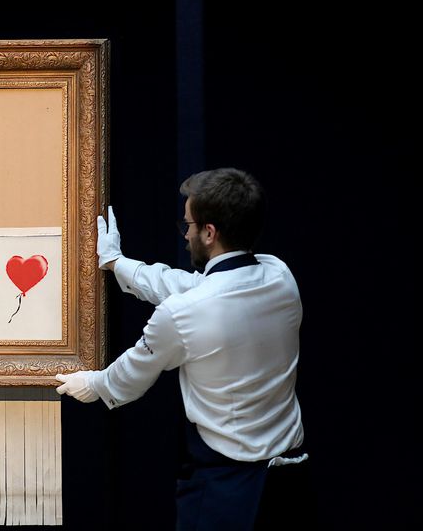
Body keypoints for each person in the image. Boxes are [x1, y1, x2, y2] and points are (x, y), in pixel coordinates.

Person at [56, 168, 307, 530]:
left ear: (209, 232)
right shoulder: (280, 275)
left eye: (188, 225)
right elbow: (190, 287)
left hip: (225, 491)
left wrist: (93, 384)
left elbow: (131, 376)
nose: (186, 234)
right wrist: (116, 263)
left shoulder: (182, 313)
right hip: (290, 483)